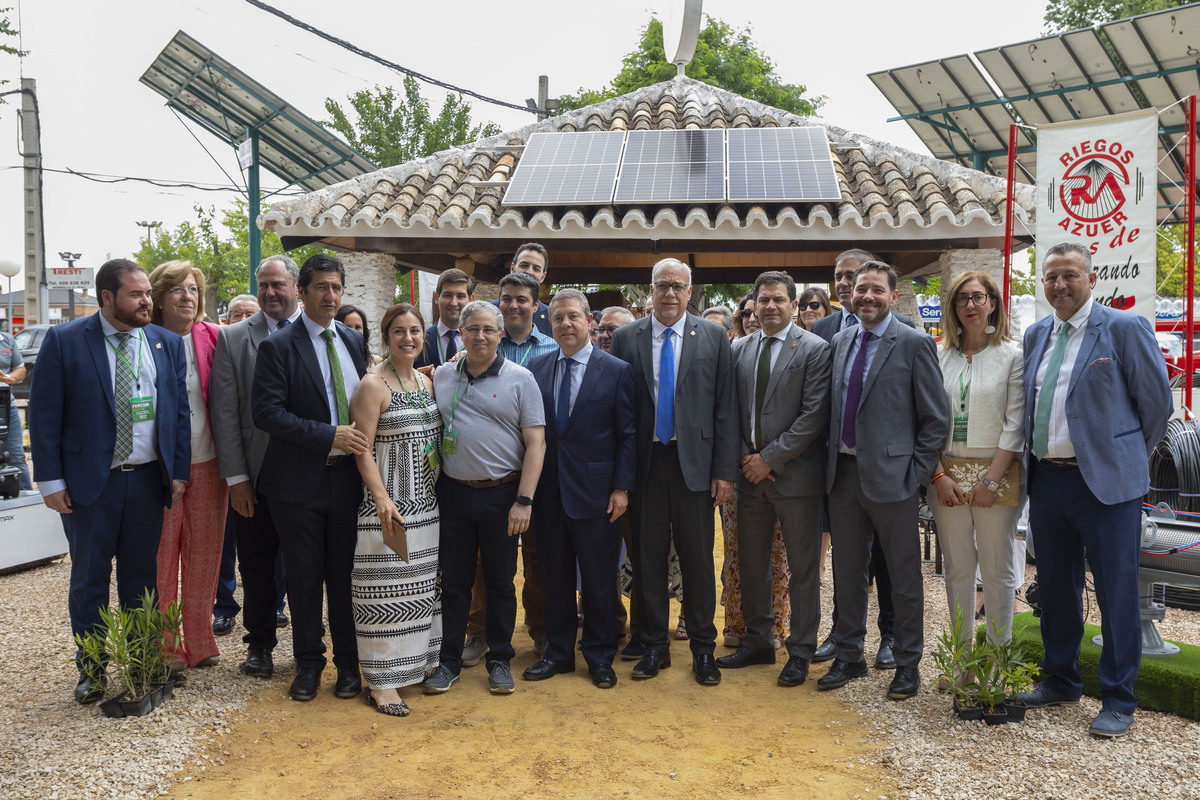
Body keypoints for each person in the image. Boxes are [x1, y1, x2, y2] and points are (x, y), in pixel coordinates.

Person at [1015, 242, 1171, 738]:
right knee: (1056, 588)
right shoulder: (1036, 333)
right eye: (1051, 277)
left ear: (1091, 277)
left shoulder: (1123, 329)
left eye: (1069, 275)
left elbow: (1156, 407)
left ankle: (1119, 699)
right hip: (1047, 479)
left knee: (1116, 592)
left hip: (1105, 486)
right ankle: (1061, 680)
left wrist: (1121, 462)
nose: (1059, 285)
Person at [30, 258, 189, 704]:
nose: (147, 302)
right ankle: (93, 670)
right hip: (87, 485)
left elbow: (177, 413)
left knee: (142, 581)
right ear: (107, 298)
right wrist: (50, 482)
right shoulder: (65, 341)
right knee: (89, 580)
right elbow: (44, 417)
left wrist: (178, 471)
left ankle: (141, 663)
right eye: (136, 295)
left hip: (144, 482)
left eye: (146, 294)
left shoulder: (165, 343)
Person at [820, 259, 949, 700]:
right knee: (847, 573)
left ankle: (907, 662)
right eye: (861, 290)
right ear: (849, 295)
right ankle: (850, 655)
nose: (867, 297)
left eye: (877, 290)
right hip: (843, 477)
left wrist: (915, 476)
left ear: (894, 296)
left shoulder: (913, 343)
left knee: (904, 576)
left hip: (895, 481)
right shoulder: (839, 341)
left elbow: (936, 419)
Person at [609, 258, 738, 686]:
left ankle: (703, 649)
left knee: (698, 560)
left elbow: (726, 408)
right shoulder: (627, 338)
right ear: (651, 290)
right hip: (646, 465)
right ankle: (654, 648)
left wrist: (724, 472)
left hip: (695, 467)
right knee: (647, 561)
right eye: (661, 285)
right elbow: (621, 414)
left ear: (689, 291)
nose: (669, 293)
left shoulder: (715, 337)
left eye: (677, 286)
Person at [252, 254, 369, 702]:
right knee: (303, 578)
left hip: (346, 481)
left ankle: (347, 666)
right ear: (302, 292)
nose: (331, 296)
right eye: (321, 287)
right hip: (296, 483)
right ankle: (307, 666)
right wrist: (328, 436)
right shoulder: (279, 346)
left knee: (344, 578)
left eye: (337, 288)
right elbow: (267, 413)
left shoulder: (353, 341)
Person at [423, 301, 545, 696]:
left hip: (503, 495)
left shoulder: (521, 378)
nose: (480, 337)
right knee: (455, 583)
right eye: (472, 329)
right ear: (460, 333)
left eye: (488, 330)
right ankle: (449, 661)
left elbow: (536, 442)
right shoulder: (441, 375)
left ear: (500, 334)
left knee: (500, 582)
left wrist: (523, 501)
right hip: (454, 494)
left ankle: (500, 659)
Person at [718, 271, 831, 687]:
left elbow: (813, 416)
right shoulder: (739, 349)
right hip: (748, 478)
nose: (769, 307)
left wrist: (769, 458)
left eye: (778, 300)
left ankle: (800, 651)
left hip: (795, 477)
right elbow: (729, 410)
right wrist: (744, 461)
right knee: (751, 564)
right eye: (762, 300)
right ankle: (758, 641)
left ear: (793, 305)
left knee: (802, 570)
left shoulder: (816, 349)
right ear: (753, 306)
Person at [525, 289, 636, 689]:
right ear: (549, 324)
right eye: (558, 318)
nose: (566, 324)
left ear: (589, 320)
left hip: (597, 493)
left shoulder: (617, 369)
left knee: (599, 580)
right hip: (549, 493)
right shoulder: (535, 369)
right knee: (553, 576)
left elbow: (627, 434)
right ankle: (558, 652)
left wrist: (622, 488)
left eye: (573, 316)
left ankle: (599, 655)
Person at [811, 249, 908, 669]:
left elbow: (927, 415)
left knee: (888, 564)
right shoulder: (828, 331)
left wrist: (916, 474)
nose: (849, 285)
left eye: (858, 277)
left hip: (889, 475)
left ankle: (891, 636)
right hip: (843, 472)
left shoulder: (907, 333)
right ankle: (844, 637)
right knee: (848, 564)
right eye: (842, 277)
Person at [349, 303, 443, 717]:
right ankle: (383, 682)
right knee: (383, 592)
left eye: (416, 331)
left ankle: (416, 663)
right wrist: (383, 498)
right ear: (385, 338)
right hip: (387, 509)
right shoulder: (373, 385)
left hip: (427, 507)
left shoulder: (423, 383)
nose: (409, 338)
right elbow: (361, 449)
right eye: (399, 331)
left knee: (421, 591)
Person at [210, 256, 300, 678]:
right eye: (263, 285)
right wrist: (237, 479)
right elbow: (225, 413)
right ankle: (260, 645)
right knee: (258, 564)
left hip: (310, 475)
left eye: (278, 284)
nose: (269, 293)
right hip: (257, 477)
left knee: (307, 565)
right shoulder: (231, 338)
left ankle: (308, 648)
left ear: (296, 287)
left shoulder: (320, 334)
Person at [928, 271, 1024, 648]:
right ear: (952, 307)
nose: (970, 305)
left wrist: (990, 481)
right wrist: (937, 475)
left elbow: (1015, 424)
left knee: (998, 571)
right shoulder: (937, 355)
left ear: (993, 304)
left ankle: (999, 664)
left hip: (997, 472)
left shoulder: (1012, 356)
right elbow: (922, 421)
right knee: (957, 569)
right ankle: (961, 661)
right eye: (961, 299)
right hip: (945, 474)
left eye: (978, 297)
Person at [148, 260, 228, 670]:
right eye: (177, 289)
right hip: (159, 469)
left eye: (193, 289)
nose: (187, 296)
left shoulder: (213, 336)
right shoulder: (144, 340)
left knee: (204, 556)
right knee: (161, 557)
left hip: (210, 463)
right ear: (159, 298)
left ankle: (199, 640)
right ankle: (164, 646)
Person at [415, 269, 474, 370]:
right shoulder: (420, 341)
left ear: (471, 299)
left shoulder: (480, 340)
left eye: (460, 296)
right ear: (436, 298)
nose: (454, 303)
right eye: (447, 295)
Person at [492, 242, 552, 335]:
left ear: (543, 276)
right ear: (512, 268)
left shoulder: (551, 318)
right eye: (524, 265)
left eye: (536, 268)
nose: (529, 272)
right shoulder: (489, 311)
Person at [0, 325, 31, 489]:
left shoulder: (6, 339)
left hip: (6, 407)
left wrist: (8, 378)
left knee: (16, 455)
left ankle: (25, 497)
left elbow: (20, 368)